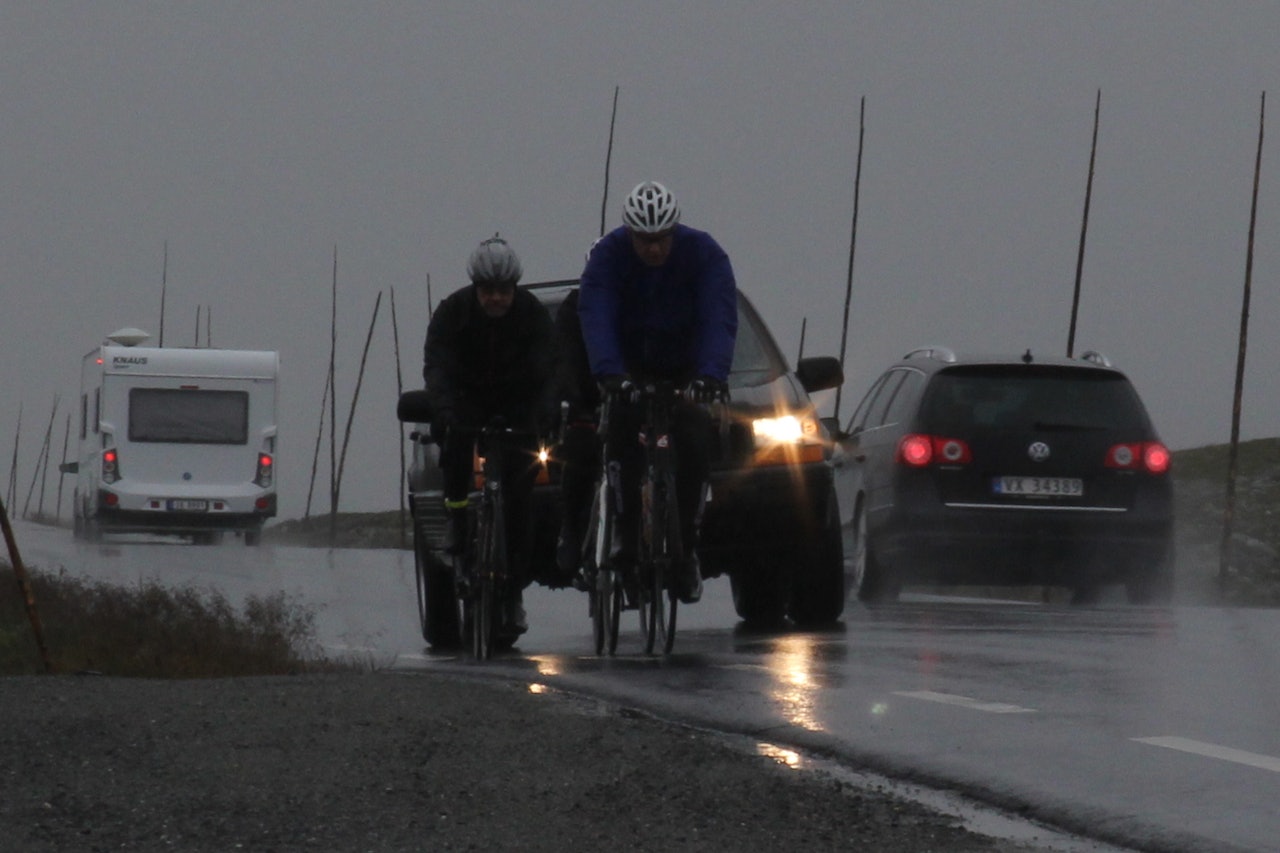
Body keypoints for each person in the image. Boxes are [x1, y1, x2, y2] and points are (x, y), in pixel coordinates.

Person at [576, 181, 738, 604]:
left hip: (683, 370)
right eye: (644, 241)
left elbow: (718, 316)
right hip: (629, 368)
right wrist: (610, 374)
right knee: (621, 443)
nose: (653, 250)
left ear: (675, 231)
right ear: (629, 233)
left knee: (695, 441)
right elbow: (597, 317)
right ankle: (625, 546)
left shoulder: (704, 254)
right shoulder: (608, 259)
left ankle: (686, 549)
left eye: (662, 240)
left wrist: (709, 374)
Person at [422, 234, 558, 635]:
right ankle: (458, 520)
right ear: (475, 288)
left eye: (503, 291)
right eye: (487, 291)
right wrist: (443, 410)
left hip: (518, 408)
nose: (495, 299)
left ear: (514, 288)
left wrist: (547, 412)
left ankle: (512, 591)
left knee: (520, 500)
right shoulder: (452, 313)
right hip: (467, 404)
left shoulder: (532, 316)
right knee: (455, 448)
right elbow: (437, 367)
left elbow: (551, 370)